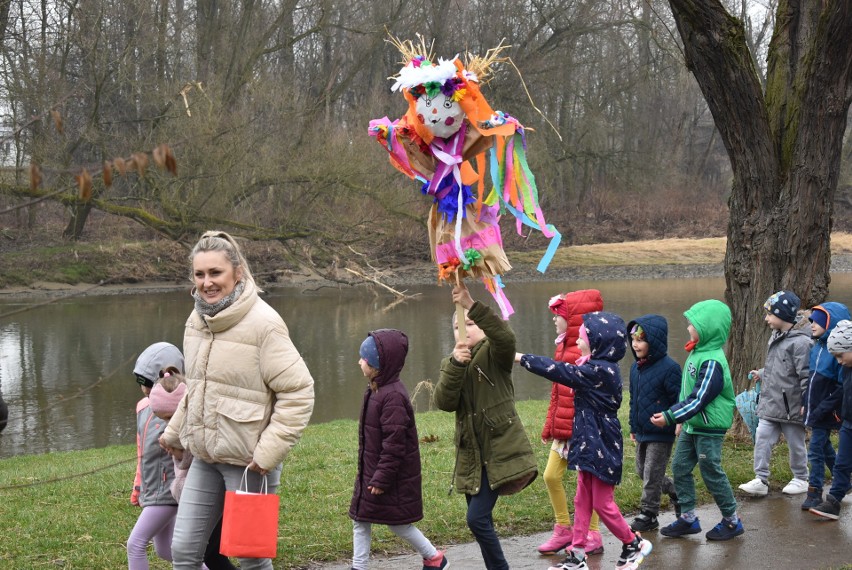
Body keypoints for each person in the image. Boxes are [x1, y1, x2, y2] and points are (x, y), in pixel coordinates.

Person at [160, 231, 315, 570]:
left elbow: (299, 392)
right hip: (204, 456)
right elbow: (198, 388)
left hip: (249, 464)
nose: (206, 283)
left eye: (215, 273)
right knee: (184, 551)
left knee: (250, 557)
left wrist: (267, 454)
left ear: (237, 273)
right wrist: (174, 433)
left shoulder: (265, 324)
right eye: (200, 274)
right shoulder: (196, 320)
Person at [518, 311, 653, 570]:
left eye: (581, 339)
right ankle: (577, 554)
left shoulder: (600, 370)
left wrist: (522, 358)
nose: (577, 343)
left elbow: (559, 371)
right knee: (582, 499)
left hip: (601, 443)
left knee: (602, 503)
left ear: (598, 342)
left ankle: (632, 543)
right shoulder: (591, 365)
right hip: (588, 442)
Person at [433, 282, 537, 570]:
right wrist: (456, 365)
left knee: (476, 519)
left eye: (470, 324)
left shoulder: (496, 354)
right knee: (481, 521)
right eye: (458, 327)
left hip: (499, 450)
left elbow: (504, 336)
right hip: (472, 455)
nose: (464, 331)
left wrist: (471, 305)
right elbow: (444, 401)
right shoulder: (452, 361)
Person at [348, 330, 448, 570]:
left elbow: (394, 444)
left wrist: (381, 477)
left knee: (397, 523)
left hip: (389, 476)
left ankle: (434, 557)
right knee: (362, 520)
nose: (359, 361)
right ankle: (360, 566)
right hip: (373, 472)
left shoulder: (391, 397)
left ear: (377, 365)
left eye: (364, 358)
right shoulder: (376, 389)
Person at [652, 299, 743, 541]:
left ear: (708, 328)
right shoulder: (697, 352)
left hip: (709, 427)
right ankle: (688, 518)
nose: (689, 326)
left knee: (710, 469)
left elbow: (699, 398)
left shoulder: (712, 361)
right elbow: (686, 392)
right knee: (680, 468)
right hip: (693, 424)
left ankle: (732, 520)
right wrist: (682, 420)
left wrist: (671, 417)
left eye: (693, 323)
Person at [536, 291, 606, 556]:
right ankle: (563, 528)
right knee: (551, 476)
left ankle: (593, 534)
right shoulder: (562, 346)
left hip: (583, 429)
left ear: (574, 320)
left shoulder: (588, 351)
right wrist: (549, 426)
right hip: (564, 429)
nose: (554, 321)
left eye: (559, 316)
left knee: (586, 482)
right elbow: (556, 391)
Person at [150, 367, 236, 570]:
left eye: (171, 418)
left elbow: (193, 457)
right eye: (162, 419)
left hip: (208, 501)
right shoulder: (178, 428)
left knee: (211, 555)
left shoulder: (194, 426)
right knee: (207, 554)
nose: (168, 424)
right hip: (192, 499)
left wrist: (178, 451)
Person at [738, 291, 811, 497]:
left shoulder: (801, 343)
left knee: (796, 443)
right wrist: (761, 373)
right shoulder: (776, 336)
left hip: (792, 407)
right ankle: (760, 479)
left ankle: (800, 477)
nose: (766, 319)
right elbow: (778, 367)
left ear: (783, 315)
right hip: (771, 404)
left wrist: (806, 401)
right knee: (762, 437)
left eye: (770, 314)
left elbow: (805, 375)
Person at [127, 342, 185, 570]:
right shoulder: (142, 408)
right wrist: (138, 487)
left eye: (150, 384)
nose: (146, 390)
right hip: (152, 491)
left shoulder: (179, 410)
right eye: (141, 383)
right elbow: (142, 455)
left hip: (169, 491)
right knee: (166, 550)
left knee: (135, 544)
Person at [626, 316, 682, 532]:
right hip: (642, 430)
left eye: (640, 340)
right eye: (633, 340)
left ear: (655, 341)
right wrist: (633, 426)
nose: (635, 345)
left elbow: (679, 399)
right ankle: (676, 490)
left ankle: (649, 513)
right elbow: (634, 400)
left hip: (661, 431)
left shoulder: (670, 368)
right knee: (641, 470)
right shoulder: (635, 368)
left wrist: (676, 419)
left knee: (651, 473)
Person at [801, 302, 851, 510]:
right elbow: (811, 381)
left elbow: (841, 389)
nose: (812, 325)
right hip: (818, 408)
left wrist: (824, 408)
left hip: (829, 410)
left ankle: (814, 491)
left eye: (818, 321)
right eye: (811, 320)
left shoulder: (839, 357)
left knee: (815, 449)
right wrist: (806, 403)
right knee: (826, 449)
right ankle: (841, 488)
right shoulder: (817, 348)